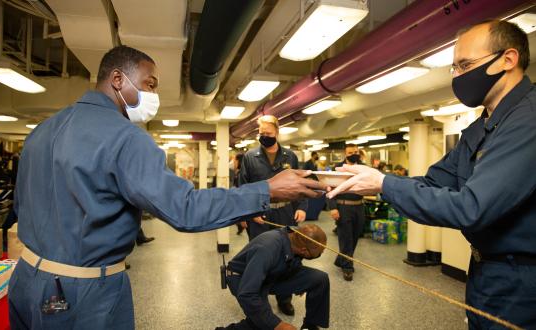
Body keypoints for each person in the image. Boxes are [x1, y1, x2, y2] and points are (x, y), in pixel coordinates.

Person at [9, 45, 327, 330]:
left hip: (26, 279)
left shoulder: (43, 129)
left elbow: (21, 207)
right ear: (117, 80)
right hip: (83, 292)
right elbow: (185, 209)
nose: (153, 96)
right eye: (149, 84)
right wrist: (266, 191)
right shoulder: (126, 138)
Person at [329, 20, 536, 329]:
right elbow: (431, 184)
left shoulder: (527, 121)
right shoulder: (480, 128)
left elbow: (471, 208)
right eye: (454, 68)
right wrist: (373, 184)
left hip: (521, 280)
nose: (458, 76)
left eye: (465, 65)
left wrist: (384, 183)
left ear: (508, 59)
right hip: (485, 272)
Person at [239, 115, 308, 316]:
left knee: (287, 256)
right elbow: (243, 187)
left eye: (268, 134)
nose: (264, 137)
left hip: (285, 213)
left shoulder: (290, 156)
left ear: (277, 133)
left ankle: (284, 299)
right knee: (259, 258)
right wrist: (248, 214)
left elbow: (299, 183)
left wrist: (302, 206)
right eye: (261, 134)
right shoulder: (250, 157)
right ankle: (259, 301)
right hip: (260, 216)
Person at [218, 224, 329, 330]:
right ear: (304, 250)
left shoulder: (297, 234)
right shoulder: (267, 249)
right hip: (243, 279)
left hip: (272, 274)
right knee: (263, 323)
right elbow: (247, 294)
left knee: (319, 279)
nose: (320, 255)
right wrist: (277, 325)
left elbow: (293, 257)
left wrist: (300, 282)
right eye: (319, 253)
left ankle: (310, 326)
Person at [327, 144, 366, 281]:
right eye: (350, 152)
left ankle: (341, 260)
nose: (353, 154)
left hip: (359, 207)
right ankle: (348, 268)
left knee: (355, 237)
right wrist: (333, 207)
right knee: (346, 238)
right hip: (343, 207)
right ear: (345, 154)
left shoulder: (363, 168)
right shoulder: (337, 169)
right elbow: (329, 189)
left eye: (356, 152)